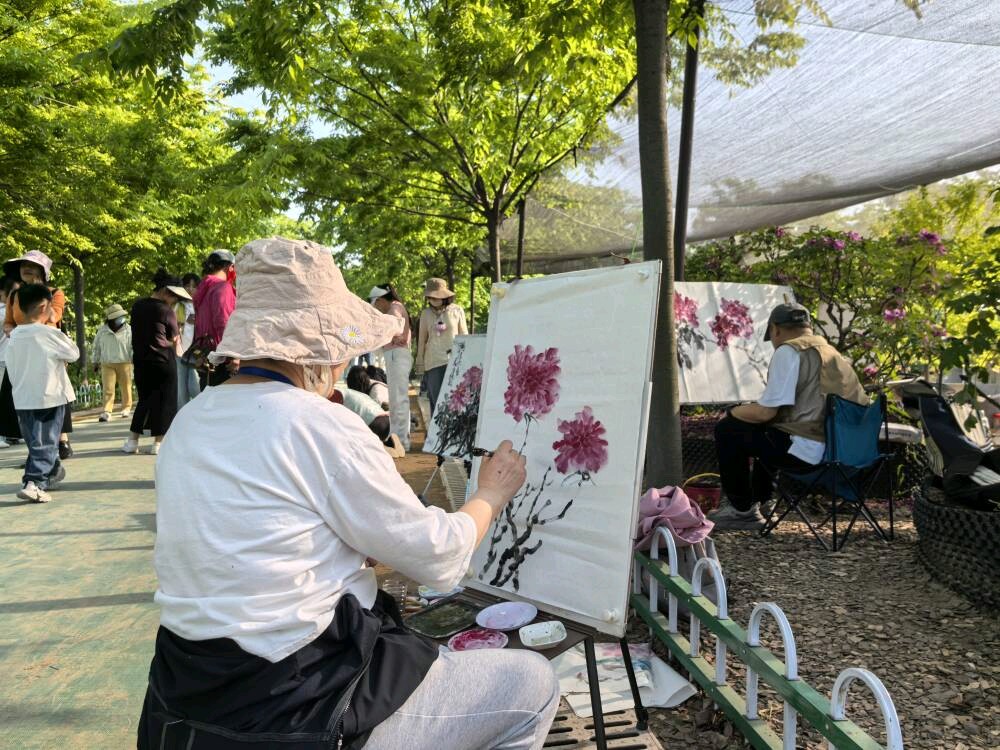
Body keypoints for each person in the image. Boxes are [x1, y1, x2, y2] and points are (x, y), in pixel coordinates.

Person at [137, 237, 558, 750]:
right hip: (295, 704)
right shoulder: (317, 423)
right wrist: (490, 493)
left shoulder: (190, 421)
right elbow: (440, 557)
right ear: (318, 351)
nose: (342, 364)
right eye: (339, 349)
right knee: (533, 684)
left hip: (189, 699)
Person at [710, 303, 869, 530]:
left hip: (809, 456)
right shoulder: (831, 353)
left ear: (775, 329)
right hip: (845, 454)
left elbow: (765, 412)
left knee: (728, 429)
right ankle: (763, 501)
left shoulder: (789, 351)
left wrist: (731, 411)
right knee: (771, 431)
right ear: (808, 327)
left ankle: (741, 510)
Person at [5, 284, 78, 503]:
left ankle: (52, 471)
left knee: (36, 442)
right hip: (50, 396)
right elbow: (73, 353)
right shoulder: (49, 333)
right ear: (44, 307)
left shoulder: (14, 336)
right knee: (46, 442)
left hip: (23, 399)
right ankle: (34, 482)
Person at [2, 250, 75, 459]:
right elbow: (8, 322)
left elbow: (53, 317)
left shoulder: (55, 293)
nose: (26, 269)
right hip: (22, 352)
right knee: (22, 399)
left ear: (43, 271)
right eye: (23, 265)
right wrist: (13, 332)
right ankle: (36, 450)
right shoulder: (14, 296)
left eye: (32, 266)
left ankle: (61, 441)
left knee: (53, 396)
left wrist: (40, 296)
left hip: (47, 353)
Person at [124, 270, 191, 455]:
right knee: (165, 401)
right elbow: (174, 338)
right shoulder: (166, 310)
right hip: (163, 361)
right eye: (174, 297)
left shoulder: (137, 306)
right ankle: (158, 444)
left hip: (141, 361)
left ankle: (132, 442)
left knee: (144, 400)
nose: (174, 301)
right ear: (165, 292)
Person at [414, 278, 467, 417]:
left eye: (436, 296)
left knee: (455, 400)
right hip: (433, 362)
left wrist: (466, 359)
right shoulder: (425, 314)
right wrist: (419, 360)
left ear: (445, 296)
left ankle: (454, 429)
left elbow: (464, 336)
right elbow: (422, 340)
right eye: (430, 297)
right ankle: (435, 430)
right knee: (436, 402)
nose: (432, 299)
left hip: (454, 361)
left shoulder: (457, 310)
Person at [368, 284, 412, 450]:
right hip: (396, 355)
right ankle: (398, 438)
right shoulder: (396, 307)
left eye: (376, 304)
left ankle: (401, 440)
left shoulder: (394, 308)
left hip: (396, 355)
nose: (377, 308)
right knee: (397, 399)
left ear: (380, 300)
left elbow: (394, 331)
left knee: (398, 399)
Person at [192, 249, 237, 389]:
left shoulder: (203, 289)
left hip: (205, 357)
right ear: (230, 267)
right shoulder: (223, 287)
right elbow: (224, 323)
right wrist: (234, 356)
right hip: (223, 360)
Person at [92, 304, 133, 422]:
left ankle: (126, 408)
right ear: (111, 319)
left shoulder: (129, 330)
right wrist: (95, 361)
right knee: (108, 388)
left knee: (126, 387)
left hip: (124, 362)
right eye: (118, 317)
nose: (121, 318)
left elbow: (133, 346)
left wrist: (134, 359)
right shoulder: (102, 330)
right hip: (107, 363)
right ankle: (107, 411)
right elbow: (96, 347)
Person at [175, 273, 202, 408]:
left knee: (195, 386)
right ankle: (182, 414)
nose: (191, 289)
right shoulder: (178, 305)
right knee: (181, 388)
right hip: (180, 350)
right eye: (187, 285)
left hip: (196, 351)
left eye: (194, 286)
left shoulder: (202, 305)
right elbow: (174, 327)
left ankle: (197, 411)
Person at [0, 276, 19, 448]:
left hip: (10, 360)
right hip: (2, 360)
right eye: (14, 291)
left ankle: (12, 433)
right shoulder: (3, 312)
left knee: (10, 399)